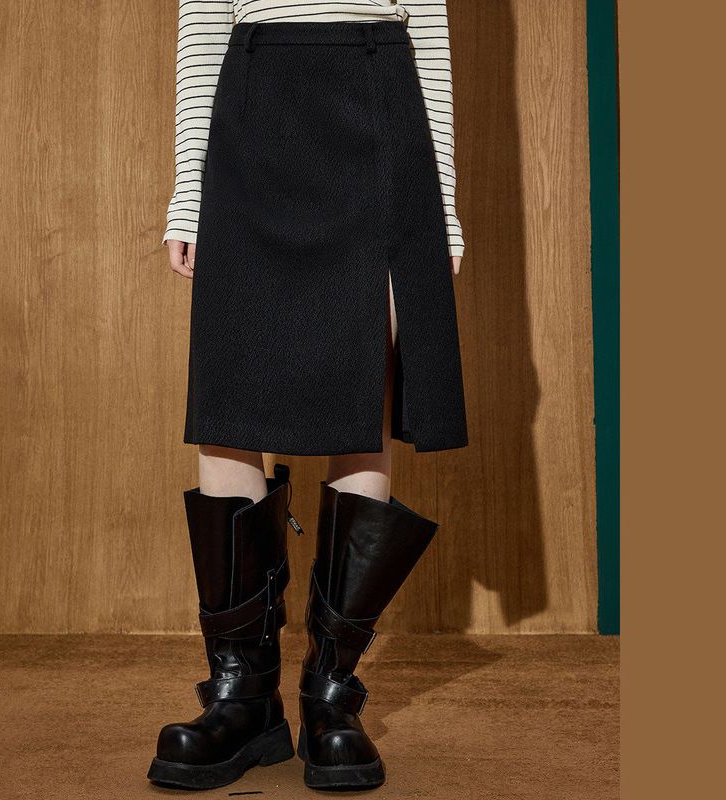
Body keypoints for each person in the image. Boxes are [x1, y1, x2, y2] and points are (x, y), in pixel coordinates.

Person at [147, 0, 469, 792]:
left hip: (379, 108)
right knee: (229, 399)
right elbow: (203, 29)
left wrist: (444, 211)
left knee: (361, 391)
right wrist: (188, 193)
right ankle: (242, 697)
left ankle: (332, 695)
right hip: (252, 116)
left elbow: (428, 35)